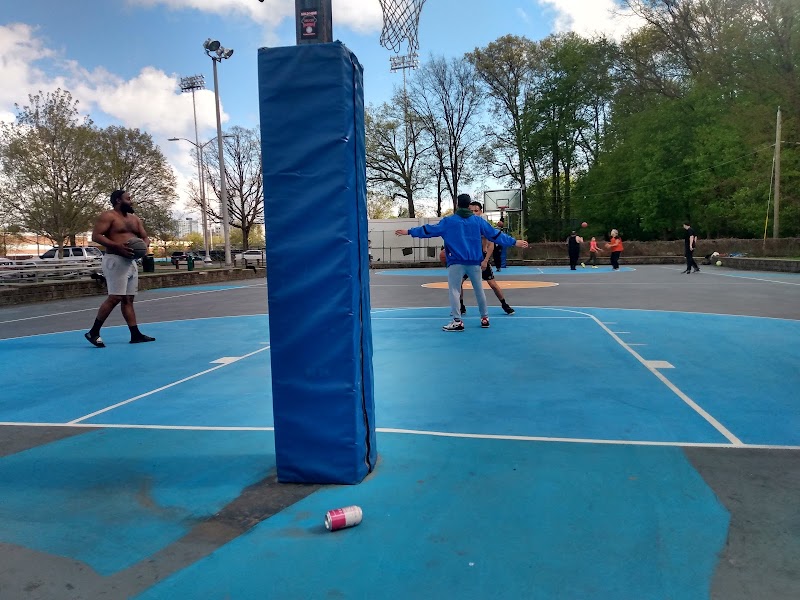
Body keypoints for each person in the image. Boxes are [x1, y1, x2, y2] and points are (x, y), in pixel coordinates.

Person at [395, 194, 528, 331]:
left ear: (457, 204)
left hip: (456, 262)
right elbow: (494, 234)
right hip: (474, 262)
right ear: (469, 205)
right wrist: (514, 242)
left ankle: (457, 321)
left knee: (454, 290)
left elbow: (429, 230)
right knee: (479, 290)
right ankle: (485, 318)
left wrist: (409, 231)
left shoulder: (449, 221)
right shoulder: (478, 221)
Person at [84, 190, 155, 347]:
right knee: (115, 297)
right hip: (115, 260)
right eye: (128, 199)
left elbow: (144, 237)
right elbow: (96, 236)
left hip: (131, 262)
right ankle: (93, 332)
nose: (131, 201)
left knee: (128, 299)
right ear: (118, 200)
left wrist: (144, 247)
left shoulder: (135, 219)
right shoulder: (108, 216)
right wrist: (117, 246)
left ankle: (135, 334)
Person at [458, 201, 515, 315]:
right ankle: (461, 305)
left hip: (481, 258)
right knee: (458, 282)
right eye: (471, 211)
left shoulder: (483, 226)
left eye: (476, 211)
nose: (473, 213)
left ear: (480, 212)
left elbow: (491, 245)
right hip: (467, 259)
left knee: (492, 284)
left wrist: (485, 260)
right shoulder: (464, 225)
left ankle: (504, 304)